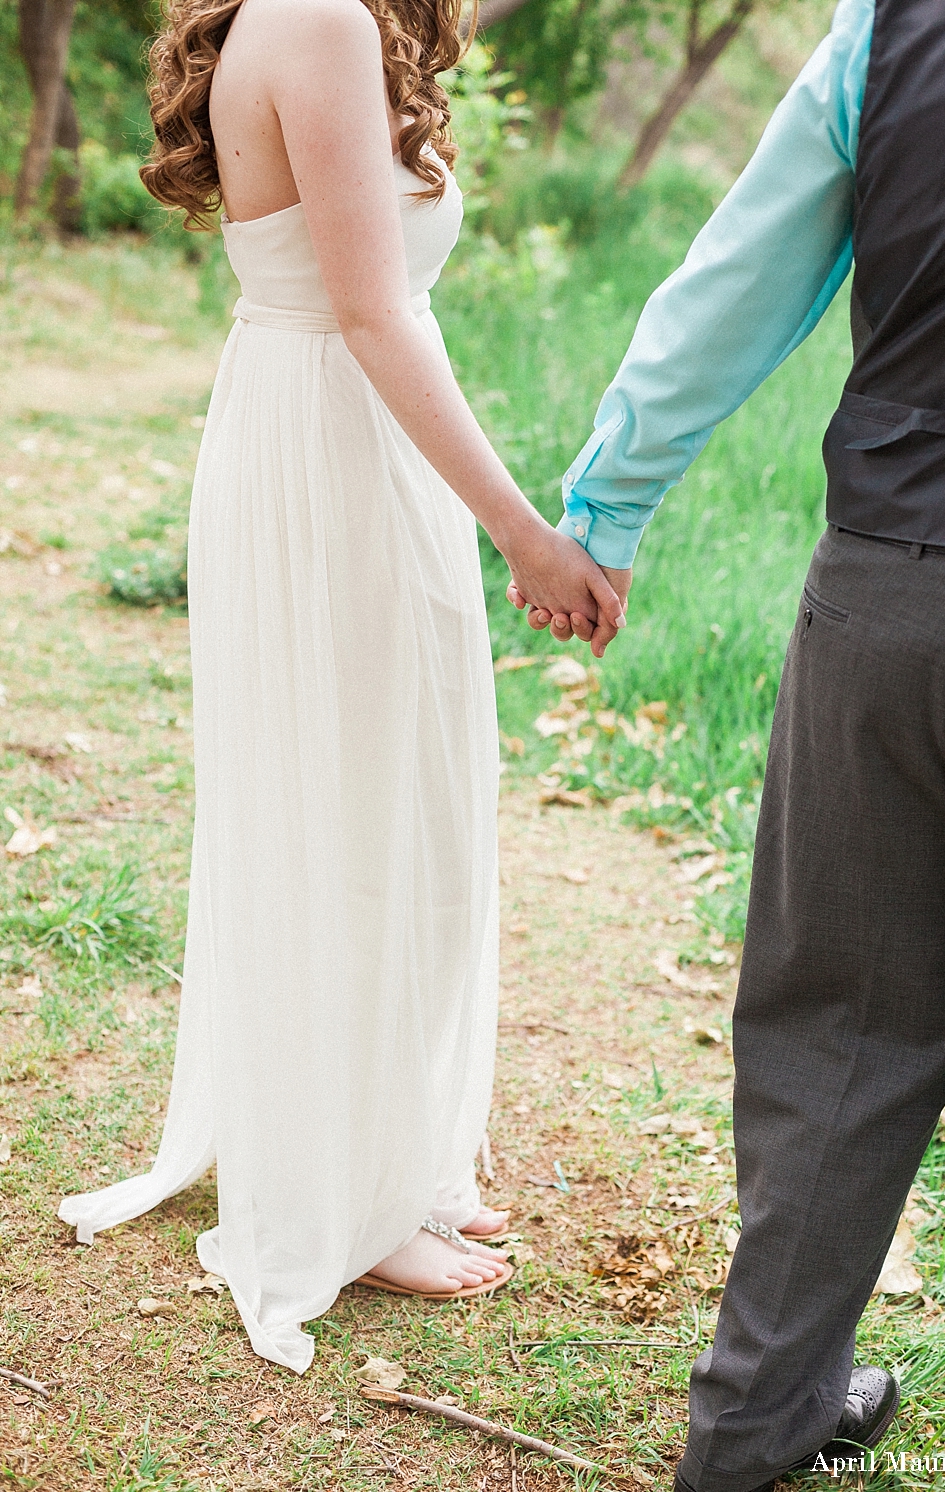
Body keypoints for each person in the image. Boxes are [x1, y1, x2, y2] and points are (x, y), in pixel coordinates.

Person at [57, 0, 626, 1374]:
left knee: (395, 804)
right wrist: (525, 533)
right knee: (360, 818)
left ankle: (383, 1151)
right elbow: (373, 310)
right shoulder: (313, 21)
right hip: (331, 446)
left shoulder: (338, 16)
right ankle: (350, 1202)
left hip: (339, 438)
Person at [517, 0, 945, 1484]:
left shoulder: (897, 22)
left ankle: (754, 1427)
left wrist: (603, 507)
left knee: (833, 1034)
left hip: (888, 593)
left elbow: (737, 280)